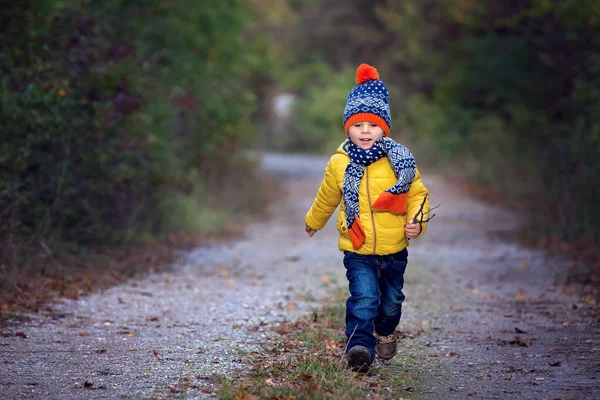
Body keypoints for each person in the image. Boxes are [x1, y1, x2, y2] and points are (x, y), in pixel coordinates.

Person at [304, 64, 430, 372]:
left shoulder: (399, 159)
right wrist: (314, 221)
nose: (364, 131)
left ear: (383, 128)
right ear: (347, 128)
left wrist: (417, 221)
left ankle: (385, 330)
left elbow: (418, 195)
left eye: (371, 125)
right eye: (357, 125)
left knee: (390, 302)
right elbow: (328, 197)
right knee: (364, 298)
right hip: (357, 247)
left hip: (395, 249)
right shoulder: (339, 163)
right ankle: (360, 347)